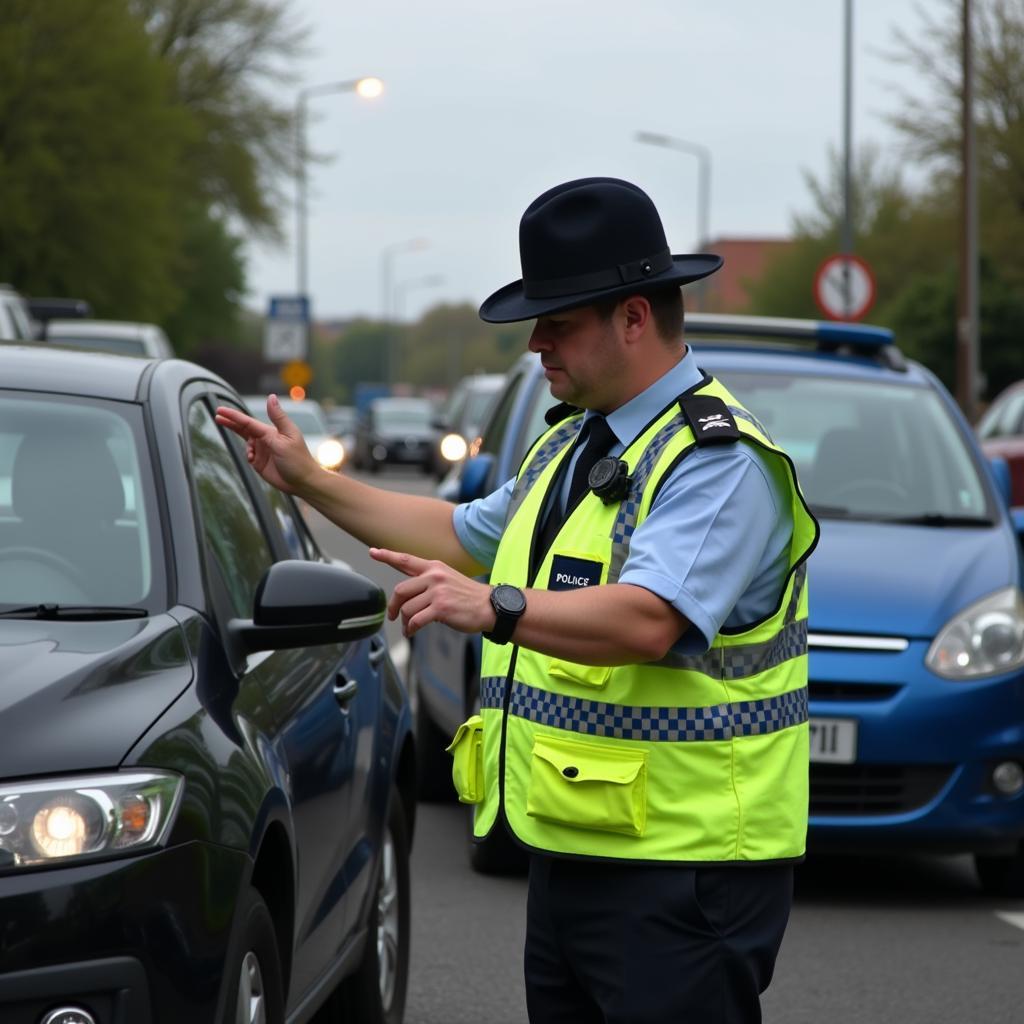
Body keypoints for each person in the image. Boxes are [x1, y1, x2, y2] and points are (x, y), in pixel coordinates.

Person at [216, 176, 818, 1024]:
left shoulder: (714, 463)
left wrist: (496, 608)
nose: (537, 342)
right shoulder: (574, 443)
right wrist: (310, 480)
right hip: (576, 848)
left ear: (635, 318)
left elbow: (650, 620)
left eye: (560, 321)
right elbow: (459, 531)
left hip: (685, 873)